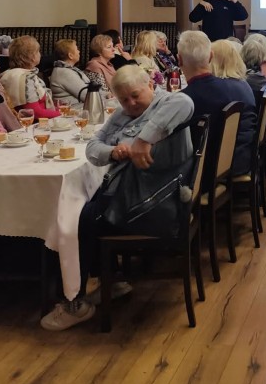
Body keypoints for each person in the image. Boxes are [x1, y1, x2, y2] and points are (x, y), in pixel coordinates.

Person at [41, 65, 195, 331]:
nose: (131, 104)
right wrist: (113, 152)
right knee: (80, 210)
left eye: (136, 95)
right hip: (131, 194)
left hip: (154, 204)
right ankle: (111, 282)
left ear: (150, 85)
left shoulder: (170, 103)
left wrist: (143, 140)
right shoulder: (122, 115)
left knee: (75, 220)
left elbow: (185, 103)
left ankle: (74, 304)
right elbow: (92, 148)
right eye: (124, 99)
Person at [178, 31, 256, 176]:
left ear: (179, 60)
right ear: (210, 57)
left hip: (213, 169)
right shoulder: (236, 86)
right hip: (243, 156)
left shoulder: (187, 99)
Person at [0, 35, 59, 120]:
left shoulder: (11, 73)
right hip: (35, 123)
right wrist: (62, 114)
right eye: (38, 51)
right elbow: (35, 113)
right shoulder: (26, 78)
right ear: (31, 57)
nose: (40, 54)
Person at [50, 38, 93, 107]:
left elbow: (91, 88)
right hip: (72, 110)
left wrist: (106, 94)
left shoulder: (69, 69)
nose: (79, 51)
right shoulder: (64, 72)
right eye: (77, 49)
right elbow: (87, 96)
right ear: (70, 55)